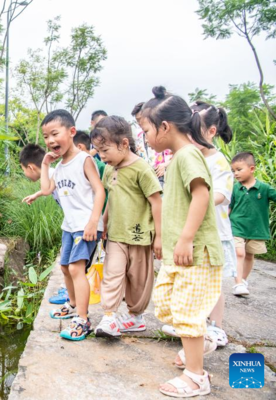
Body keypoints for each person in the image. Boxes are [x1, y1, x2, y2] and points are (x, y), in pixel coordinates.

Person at [140, 86, 223, 398]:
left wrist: (186, 238)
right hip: (180, 251)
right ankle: (201, 342)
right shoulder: (177, 158)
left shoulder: (188, 155)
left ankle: (196, 376)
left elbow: (202, 195)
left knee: (187, 313)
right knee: (167, 305)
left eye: (146, 129)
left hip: (196, 250)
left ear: (164, 127)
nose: (145, 136)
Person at [161, 101, 236, 348]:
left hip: (214, 234)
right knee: (193, 283)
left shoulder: (219, 162)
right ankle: (195, 326)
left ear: (211, 132)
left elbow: (220, 196)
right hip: (191, 233)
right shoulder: (186, 157)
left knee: (213, 287)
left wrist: (194, 200)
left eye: (193, 131)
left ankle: (216, 327)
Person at [89, 116, 162, 338]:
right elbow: (110, 198)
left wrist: (159, 237)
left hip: (140, 235)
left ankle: (135, 316)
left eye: (105, 150)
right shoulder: (109, 170)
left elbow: (157, 202)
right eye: (98, 151)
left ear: (123, 144)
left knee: (138, 279)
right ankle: (109, 317)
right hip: (116, 235)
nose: (102, 156)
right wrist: (104, 223)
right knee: (112, 274)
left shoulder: (142, 169)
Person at [39, 109, 105, 341]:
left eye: (54, 134)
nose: (50, 141)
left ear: (72, 132)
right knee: (66, 268)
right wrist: (45, 165)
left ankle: (83, 318)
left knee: (77, 269)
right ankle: (73, 303)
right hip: (70, 226)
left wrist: (94, 221)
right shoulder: (60, 166)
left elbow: (99, 190)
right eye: (46, 136)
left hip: (86, 225)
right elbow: (47, 189)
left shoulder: (84, 160)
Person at [19, 144, 69, 305]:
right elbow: (47, 187)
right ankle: (68, 288)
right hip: (71, 223)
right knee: (66, 259)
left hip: (77, 224)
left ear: (31, 167)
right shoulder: (52, 174)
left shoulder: (56, 174)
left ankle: (69, 292)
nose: (24, 173)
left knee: (70, 261)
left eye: (23, 169)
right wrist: (37, 194)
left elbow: (51, 186)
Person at [229, 151, 276, 296]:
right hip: (237, 226)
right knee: (239, 252)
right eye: (233, 171)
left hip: (256, 229)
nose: (235, 173)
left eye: (239, 169)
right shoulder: (235, 188)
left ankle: (243, 280)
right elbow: (230, 207)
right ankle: (237, 284)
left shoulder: (264, 188)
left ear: (252, 169)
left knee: (249, 255)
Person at [132, 102, 172, 185]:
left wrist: (165, 165)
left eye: (141, 119)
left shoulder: (162, 130)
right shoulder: (137, 135)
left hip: (164, 173)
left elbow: (175, 152)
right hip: (147, 175)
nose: (139, 122)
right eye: (137, 120)